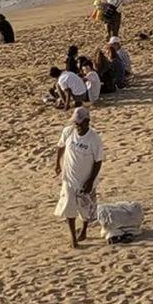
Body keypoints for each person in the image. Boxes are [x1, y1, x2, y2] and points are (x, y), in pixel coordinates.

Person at [54, 107, 103, 249]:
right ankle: (73, 237)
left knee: (86, 208)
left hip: (86, 179)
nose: (77, 126)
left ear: (87, 122)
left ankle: (84, 230)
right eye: (75, 123)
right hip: (69, 178)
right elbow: (61, 147)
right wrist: (57, 164)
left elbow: (98, 161)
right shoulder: (68, 131)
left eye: (80, 123)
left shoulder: (94, 139)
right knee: (69, 206)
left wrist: (90, 181)